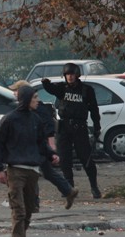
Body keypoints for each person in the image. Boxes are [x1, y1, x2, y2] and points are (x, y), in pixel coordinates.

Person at [0, 86, 59, 237]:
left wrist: (51, 154)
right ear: (26, 99)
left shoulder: (36, 120)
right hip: (15, 170)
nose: (37, 101)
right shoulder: (10, 120)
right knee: (18, 209)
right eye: (34, 97)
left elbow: (41, 143)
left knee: (29, 209)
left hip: (32, 171)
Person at [9, 80, 78, 209]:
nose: (14, 93)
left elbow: (49, 126)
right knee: (46, 172)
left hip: (38, 146)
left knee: (32, 172)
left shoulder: (37, 108)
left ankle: (34, 202)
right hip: (36, 145)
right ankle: (68, 191)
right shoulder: (26, 108)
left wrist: (51, 147)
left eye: (16, 90)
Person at [42, 63, 102, 198]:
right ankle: (69, 187)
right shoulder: (62, 88)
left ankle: (94, 186)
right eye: (67, 74)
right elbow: (51, 89)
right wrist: (45, 83)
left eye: (72, 74)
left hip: (79, 127)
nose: (70, 77)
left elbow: (94, 109)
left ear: (77, 75)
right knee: (64, 159)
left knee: (86, 157)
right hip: (64, 127)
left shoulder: (86, 90)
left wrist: (97, 126)